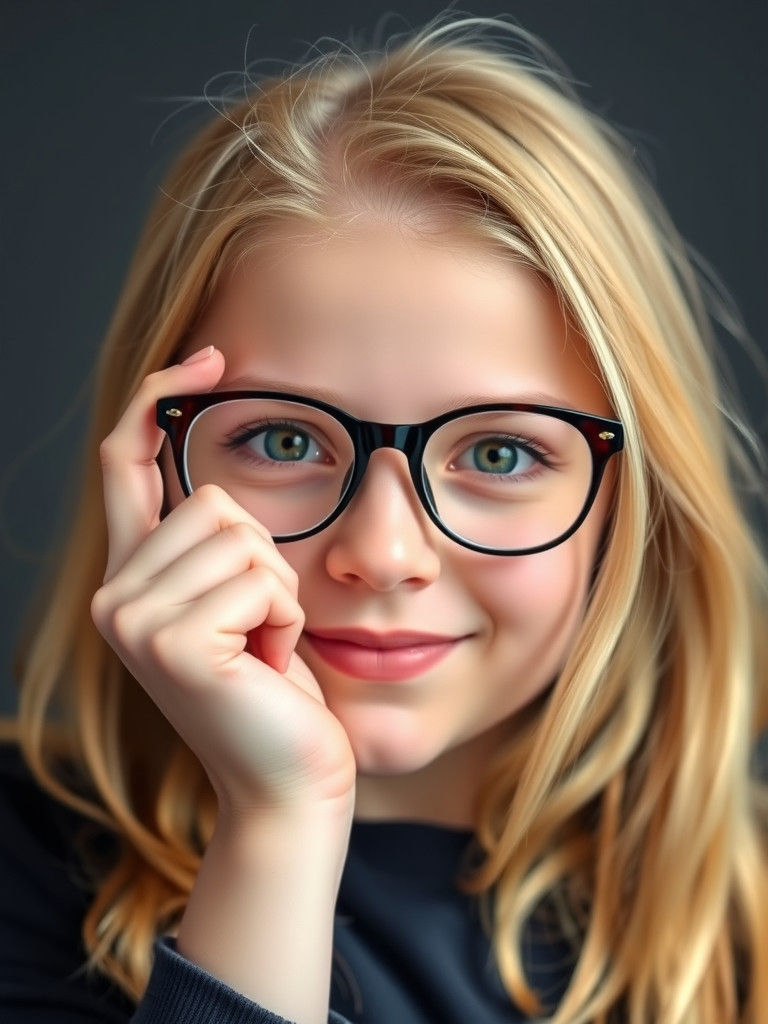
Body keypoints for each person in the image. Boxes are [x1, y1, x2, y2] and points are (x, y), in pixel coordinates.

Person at [1, 12, 766, 1024]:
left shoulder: (741, 937)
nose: (382, 552)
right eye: (283, 441)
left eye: (500, 453)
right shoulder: (24, 864)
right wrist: (277, 821)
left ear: (634, 502)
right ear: (155, 461)